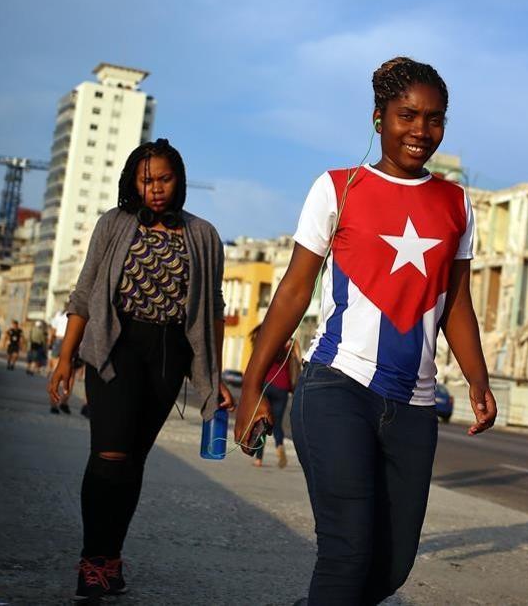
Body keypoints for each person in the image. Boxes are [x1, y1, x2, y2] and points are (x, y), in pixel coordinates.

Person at [236, 57, 498, 605]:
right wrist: (252, 389)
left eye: (434, 119)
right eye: (408, 115)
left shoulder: (457, 203)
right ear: (378, 117)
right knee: (348, 550)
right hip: (337, 386)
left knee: (392, 565)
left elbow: (457, 303)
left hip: (415, 406)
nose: (421, 131)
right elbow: (292, 292)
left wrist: (477, 378)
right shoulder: (337, 188)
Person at [47, 138, 235, 602]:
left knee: (133, 461)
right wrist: (66, 357)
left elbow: (212, 310)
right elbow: (85, 292)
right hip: (117, 347)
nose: (155, 189)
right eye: (147, 179)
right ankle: (92, 560)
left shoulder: (204, 235)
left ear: (180, 180)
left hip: (170, 355)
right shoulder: (114, 224)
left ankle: (111, 558)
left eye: (164, 179)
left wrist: (214, 379)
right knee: (109, 455)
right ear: (134, 181)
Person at [247, 324, 300, 468]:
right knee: (277, 424)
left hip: (267, 385)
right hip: (282, 389)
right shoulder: (290, 346)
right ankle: (280, 445)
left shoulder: (272, 343)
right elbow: (298, 362)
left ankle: (258, 459)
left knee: (263, 422)